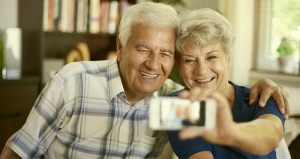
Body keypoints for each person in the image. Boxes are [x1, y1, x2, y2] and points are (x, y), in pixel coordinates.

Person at [0, 2, 288, 159]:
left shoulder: (176, 101)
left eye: (165, 53)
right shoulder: (73, 81)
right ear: (121, 47)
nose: (153, 63)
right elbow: (19, 151)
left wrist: (265, 85)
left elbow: (265, 135)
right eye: (143, 49)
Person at [167, 8, 285, 159]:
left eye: (211, 57)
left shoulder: (262, 96)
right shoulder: (177, 105)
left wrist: (230, 132)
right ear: (179, 66)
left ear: (228, 59)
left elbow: (271, 136)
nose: (201, 71)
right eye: (189, 60)